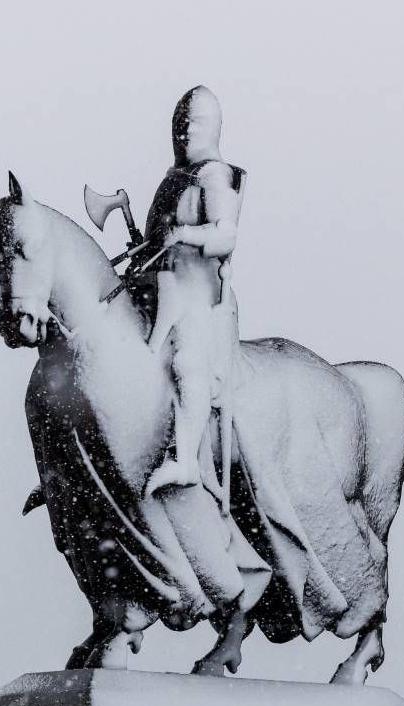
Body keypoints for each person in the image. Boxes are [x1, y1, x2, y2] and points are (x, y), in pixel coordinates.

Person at [140, 85, 245, 497]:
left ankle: (184, 461)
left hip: (198, 297)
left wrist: (182, 233)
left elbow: (226, 235)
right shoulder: (174, 179)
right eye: (180, 121)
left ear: (213, 127)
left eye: (195, 121)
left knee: (186, 361)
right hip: (159, 289)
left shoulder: (215, 176)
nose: (185, 129)